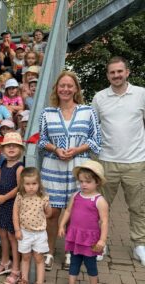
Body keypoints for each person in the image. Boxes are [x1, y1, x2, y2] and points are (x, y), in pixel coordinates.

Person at [38, 71, 101, 271]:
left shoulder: (87, 111)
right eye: (62, 85)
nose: (65, 89)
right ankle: (49, 252)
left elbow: (96, 140)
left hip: (79, 168)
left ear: (76, 89)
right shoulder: (47, 112)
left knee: (76, 212)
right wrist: (55, 149)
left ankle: (69, 252)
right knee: (52, 212)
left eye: (69, 85)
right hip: (53, 167)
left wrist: (77, 149)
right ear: (57, 88)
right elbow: (41, 140)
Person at [92, 56, 145, 264]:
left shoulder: (141, 94)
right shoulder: (99, 97)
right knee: (101, 206)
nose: (116, 75)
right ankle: (100, 243)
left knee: (139, 206)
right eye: (112, 72)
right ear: (108, 75)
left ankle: (140, 244)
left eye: (119, 71)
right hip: (107, 161)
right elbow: (94, 128)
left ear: (127, 72)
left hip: (136, 161)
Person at [58, 160, 109, 284]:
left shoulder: (99, 200)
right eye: (81, 181)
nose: (84, 185)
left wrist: (102, 240)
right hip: (75, 235)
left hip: (90, 238)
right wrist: (62, 225)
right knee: (74, 261)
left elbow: (104, 222)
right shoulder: (76, 195)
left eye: (88, 182)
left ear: (97, 182)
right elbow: (68, 211)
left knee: (90, 263)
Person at [0, 132, 24, 283]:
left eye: (15, 146)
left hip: (12, 205)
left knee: (12, 236)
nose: (11, 148)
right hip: (1, 204)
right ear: (3, 149)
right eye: (8, 146)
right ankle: (5, 261)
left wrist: (5, 197)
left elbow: (19, 188)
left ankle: (16, 268)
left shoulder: (19, 167)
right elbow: (0, 180)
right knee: (1, 232)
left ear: (20, 150)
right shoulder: (4, 164)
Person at [13, 167, 52, 284]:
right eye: (27, 184)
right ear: (22, 184)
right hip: (25, 232)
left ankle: (39, 281)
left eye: (34, 183)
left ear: (39, 183)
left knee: (39, 258)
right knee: (25, 257)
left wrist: (47, 206)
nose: (31, 187)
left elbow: (48, 215)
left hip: (40, 233)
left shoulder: (43, 197)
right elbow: (15, 214)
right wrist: (17, 230)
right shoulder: (20, 196)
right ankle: (24, 279)